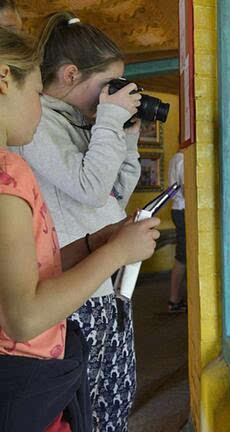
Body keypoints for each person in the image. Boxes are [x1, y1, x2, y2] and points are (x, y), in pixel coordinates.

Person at [0, 27, 160, 431]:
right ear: (5, 80)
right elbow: (22, 317)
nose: (40, 108)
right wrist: (115, 254)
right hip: (23, 370)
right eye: (36, 94)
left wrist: (95, 242)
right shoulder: (9, 174)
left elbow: (31, 269)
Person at [167, 148, 186, 313]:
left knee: (182, 255)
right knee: (182, 256)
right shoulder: (183, 159)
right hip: (184, 209)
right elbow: (188, 191)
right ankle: (174, 300)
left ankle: (176, 299)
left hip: (177, 208)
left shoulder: (175, 158)